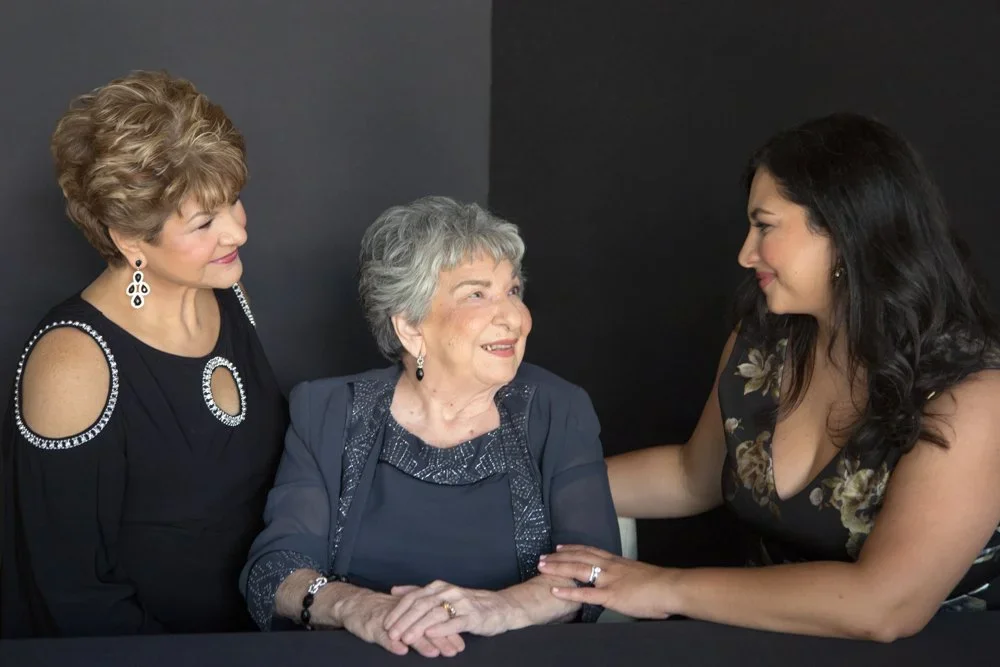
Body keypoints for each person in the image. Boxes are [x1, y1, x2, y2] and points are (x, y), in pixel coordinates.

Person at [539, 113, 1000, 641]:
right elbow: (694, 475)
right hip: (766, 640)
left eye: (765, 226)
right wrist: (534, 487)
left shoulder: (973, 395)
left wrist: (663, 588)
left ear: (843, 230)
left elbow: (885, 606)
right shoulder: (763, 347)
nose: (745, 253)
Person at [240, 196, 620, 657]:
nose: (515, 318)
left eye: (513, 291)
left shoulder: (560, 410)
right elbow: (276, 568)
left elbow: (595, 570)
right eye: (477, 294)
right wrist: (361, 609)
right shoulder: (326, 410)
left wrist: (496, 609)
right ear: (411, 328)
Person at [1, 71, 288, 637]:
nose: (236, 233)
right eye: (205, 222)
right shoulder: (71, 363)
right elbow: (76, 595)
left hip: (260, 634)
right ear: (129, 238)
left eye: (234, 202)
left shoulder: (226, 291)